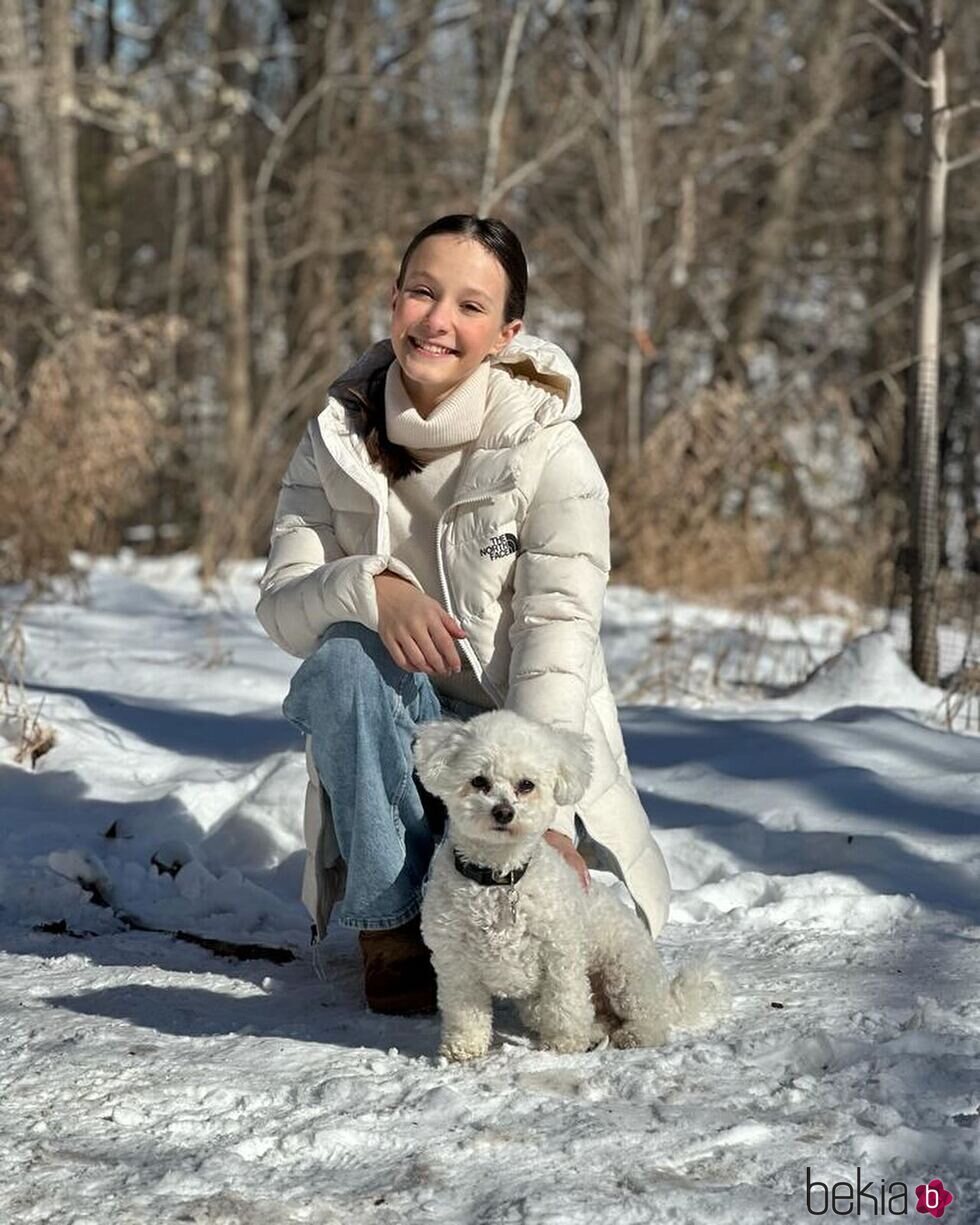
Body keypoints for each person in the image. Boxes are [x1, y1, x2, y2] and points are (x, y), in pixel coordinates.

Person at [256, 214, 670, 1015]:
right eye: (422, 291)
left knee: (585, 977)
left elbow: (559, 641)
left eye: (471, 306)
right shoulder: (334, 437)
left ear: (507, 332)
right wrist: (371, 589)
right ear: (393, 300)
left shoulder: (550, 452)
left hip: (517, 747)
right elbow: (281, 608)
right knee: (344, 656)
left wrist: (549, 815)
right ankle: (393, 927)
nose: (439, 320)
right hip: (397, 734)